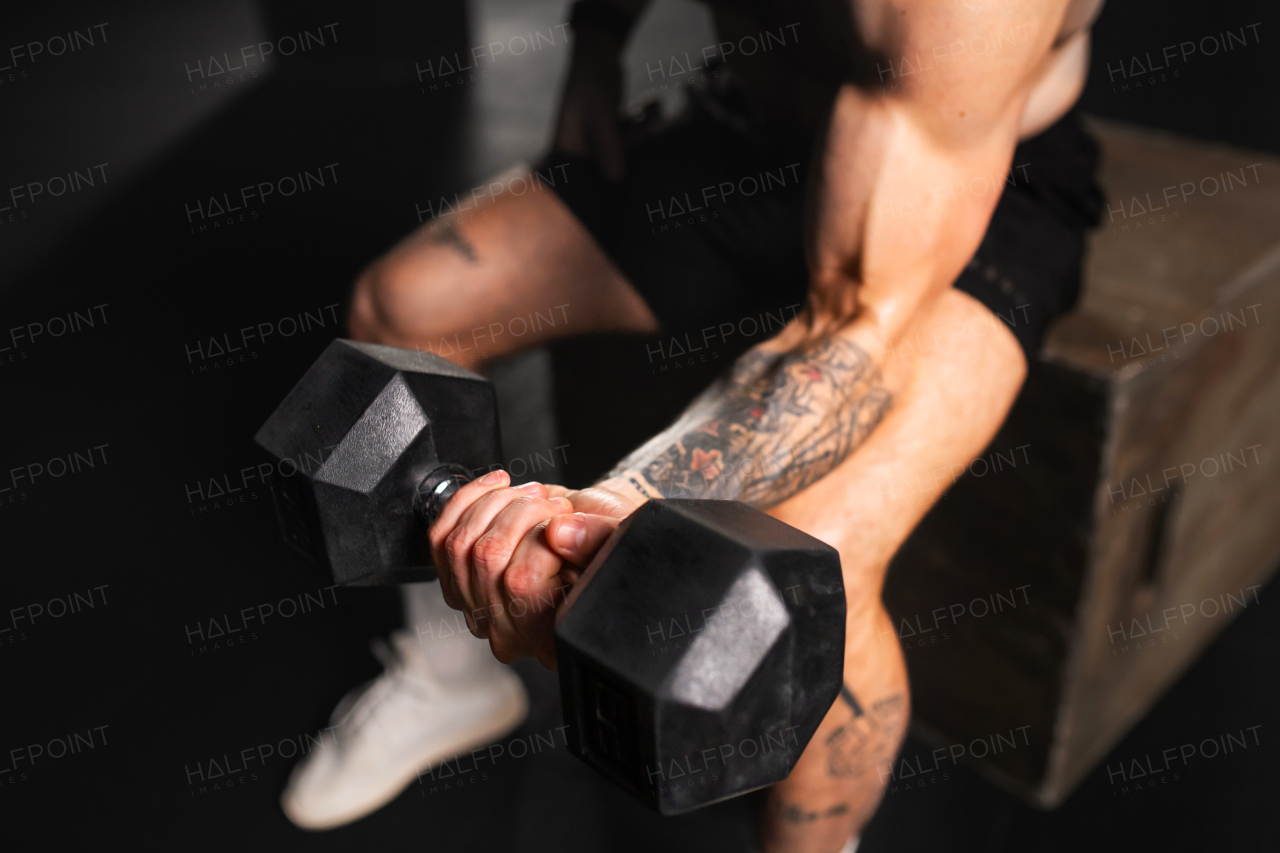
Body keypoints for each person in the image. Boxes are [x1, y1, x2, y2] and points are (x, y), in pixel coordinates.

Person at [285, 0, 1105, 848]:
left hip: (972, 195)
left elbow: (855, 324)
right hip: (757, 135)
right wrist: (598, 44)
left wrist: (608, 506)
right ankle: (457, 677)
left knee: (807, 558)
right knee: (402, 308)